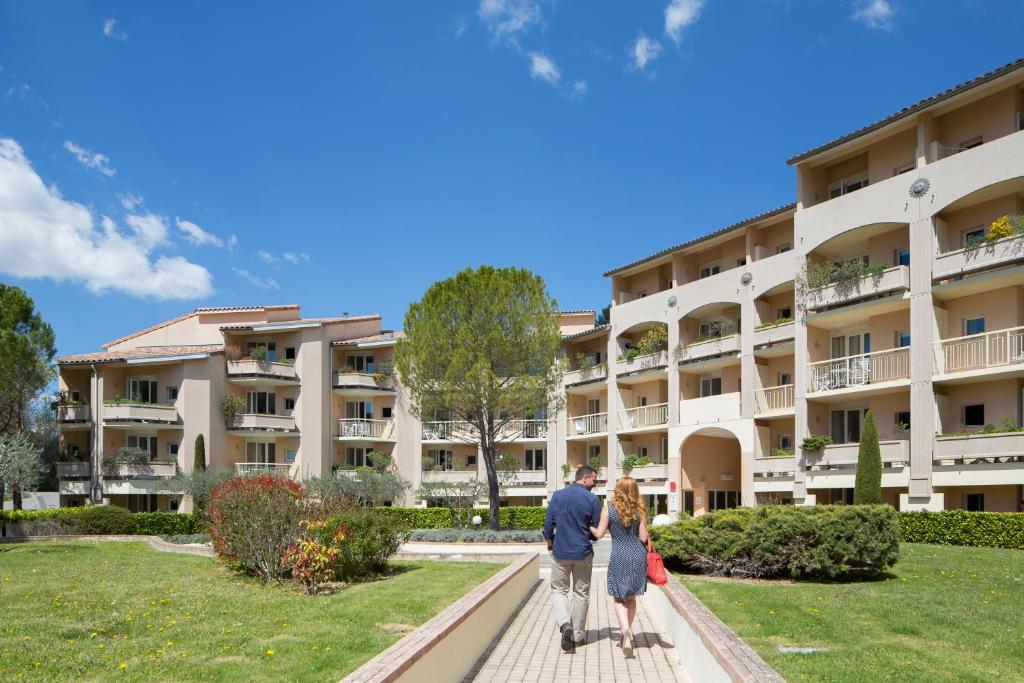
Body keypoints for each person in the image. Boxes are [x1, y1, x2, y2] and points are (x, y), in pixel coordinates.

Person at [543, 465, 602, 654]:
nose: (595, 483)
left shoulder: (558, 495)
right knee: (581, 593)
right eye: (594, 479)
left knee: (559, 590)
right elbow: (595, 527)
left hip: (560, 551)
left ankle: (564, 624)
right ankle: (577, 635)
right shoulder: (592, 499)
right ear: (584, 478)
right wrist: (589, 537)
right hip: (582, 552)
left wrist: (550, 543)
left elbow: (548, 523)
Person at [590, 476, 649, 658]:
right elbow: (644, 539)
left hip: (619, 556)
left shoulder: (609, 510)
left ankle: (624, 630)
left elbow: (598, 534)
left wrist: (587, 526)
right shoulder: (639, 511)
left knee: (618, 598)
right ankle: (628, 633)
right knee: (631, 598)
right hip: (637, 556)